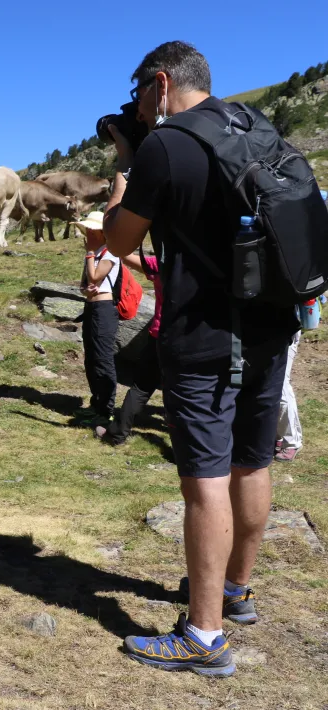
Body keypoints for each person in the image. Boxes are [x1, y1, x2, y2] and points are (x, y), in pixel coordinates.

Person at [103, 41, 299, 677]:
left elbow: (118, 238)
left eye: (137, 91)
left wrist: (126, 167)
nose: (135, 103)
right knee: (252, 459)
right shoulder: (256, 127)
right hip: (271, 325)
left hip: (204, 335)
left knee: (204, 477)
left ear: (162, 84)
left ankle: (203, 636)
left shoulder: (165, 145)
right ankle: (236, 591)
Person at [96, 250, 163, 445]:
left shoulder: (166, 263)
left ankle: (117, 433)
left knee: (142, 387)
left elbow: (126, 256)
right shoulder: (212, 267)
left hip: (161, 334)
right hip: (199, 340)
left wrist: (106, 241)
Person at [72, 211, 121, 429]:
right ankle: (96, 403)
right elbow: (86, 284)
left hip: (104, 309)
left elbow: (95, 276)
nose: (88, 233)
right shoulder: (94, 253)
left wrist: (90, 252)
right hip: (91, 306)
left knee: (103, 358)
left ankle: (107, 409)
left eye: (92, 230)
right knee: (91, 358)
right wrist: (85, 290)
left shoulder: (110, 253)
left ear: (101, 233)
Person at [274, 330, 302, 461]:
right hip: (262, 332)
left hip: (285, 330)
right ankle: (277, 436)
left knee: (281, 385)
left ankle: (292, 441)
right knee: (268, 386)